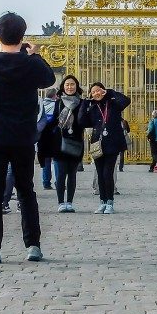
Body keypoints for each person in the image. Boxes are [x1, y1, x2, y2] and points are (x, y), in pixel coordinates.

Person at [0, 12, 55, 264]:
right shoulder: (31, 64)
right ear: (23, 36)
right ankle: (33, 245)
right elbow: (49, 79)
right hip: (22, 137)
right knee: (26, 192)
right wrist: (33, 54)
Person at [81, 82, 131, 214]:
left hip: (112, 143)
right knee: (100, 174)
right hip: (97, 144)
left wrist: (109, 92)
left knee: (107, 173)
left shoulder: (113, 104)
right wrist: (85, 103)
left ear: (102, 91)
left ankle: (110, 202)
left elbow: (126, 100)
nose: (96, 93)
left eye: (98, 91)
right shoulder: (92, 107)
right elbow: (81, 121)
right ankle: (102, 202)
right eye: (93, 92)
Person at [52, 75, 85, 213]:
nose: (70, 87)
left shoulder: (82, 103)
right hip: (60, 142)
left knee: (72, 174)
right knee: (60, 174)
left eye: (72, 84)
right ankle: (61, 202)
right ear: (63, 87)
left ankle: (69, 202)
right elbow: (53, 122)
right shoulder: (58, 103)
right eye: (67, 84)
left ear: (76, 86)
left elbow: (85, 121)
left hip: (76, 141)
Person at [36, 89, 58, 190]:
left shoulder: (41, 104)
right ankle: (59, 181)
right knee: (57, 159)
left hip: (42, 134)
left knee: (45, 159)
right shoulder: (56, 105)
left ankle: (46, 182)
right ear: (55, 96)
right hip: (54, 133)